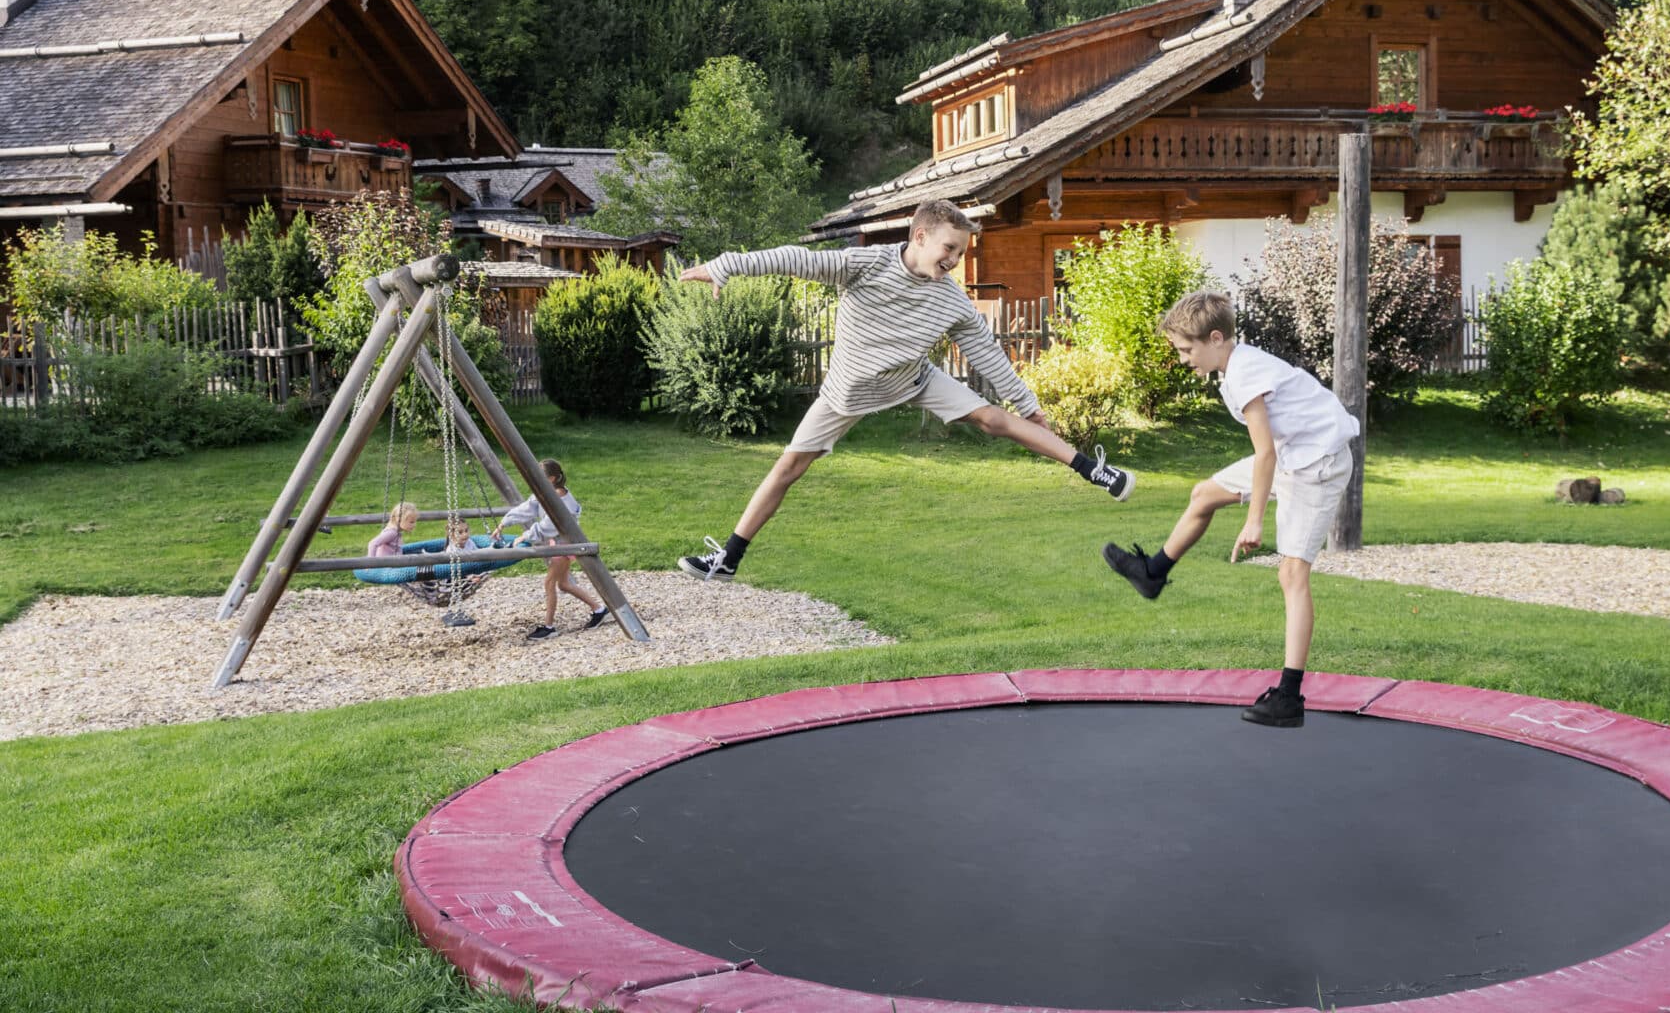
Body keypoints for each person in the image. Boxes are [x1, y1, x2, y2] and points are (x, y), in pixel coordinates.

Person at [676, 199, 1135, 583]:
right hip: (847, 391)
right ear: (920, 237)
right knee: (788, 468)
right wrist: (726, 266)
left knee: (992, 419)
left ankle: (1093, 471)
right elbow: (797, 258)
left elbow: (988, 353)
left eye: (960, 253)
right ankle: (728, 558)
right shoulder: (865, 265)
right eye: (949, 249)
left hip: (913, 378)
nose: (954, 261)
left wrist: (1029, 405)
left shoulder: (951, 299)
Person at [1101, 291, 1359, 728]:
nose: (1183, 359)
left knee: (1292, 574)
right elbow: (1269, 453)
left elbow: (1264, 456)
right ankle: (1153, 573)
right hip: (1290, 452)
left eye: (1187, 349)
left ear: (1215, 338)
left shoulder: (1244, 374)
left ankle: (1289, 697)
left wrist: (1254, 519)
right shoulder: (1235, 364)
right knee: (1204, 494)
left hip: (1318, 463)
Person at [497, 458, 607, 639]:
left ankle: (549, 627)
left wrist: (525, 536)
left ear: (553, 479)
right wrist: (503, 523)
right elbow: (527, 508)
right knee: (563, 584)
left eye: (540, 477)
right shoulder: (544, 493)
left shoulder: (563, 501)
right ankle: (599, 609)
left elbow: (549, 526)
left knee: (549, 583)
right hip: (559, 544)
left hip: (565, 546)